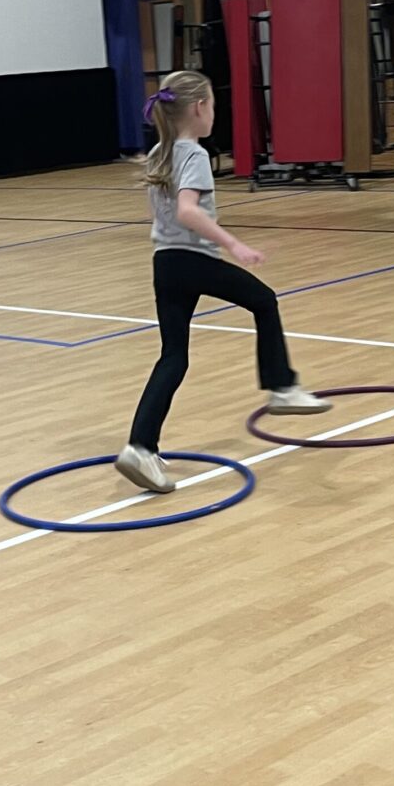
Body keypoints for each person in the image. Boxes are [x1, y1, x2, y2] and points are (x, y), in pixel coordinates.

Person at [118, 71, 329, 493]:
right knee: (264, 300)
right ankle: (282, 387)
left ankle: (140, 448)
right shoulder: (193, 154)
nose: (214, 113)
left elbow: (160, 215)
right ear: (199, 109)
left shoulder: (160, 151)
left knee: (173, 357)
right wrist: (234, 245)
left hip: (165, 264)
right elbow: (187, 211)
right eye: (213, 105)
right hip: (193, 260)